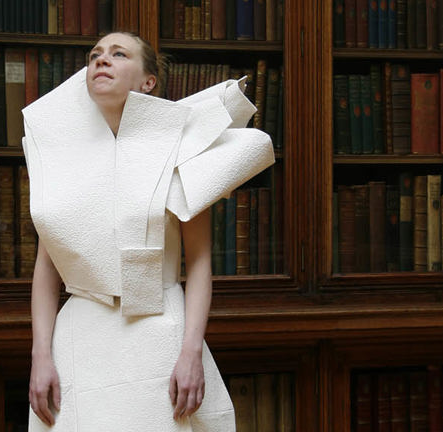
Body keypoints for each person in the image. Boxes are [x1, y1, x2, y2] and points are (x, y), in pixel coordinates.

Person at [21, 32, 274, 431]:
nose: (101, 61)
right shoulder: (56, 158)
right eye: (95, 56)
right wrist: (41, 356)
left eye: (118, 54)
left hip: (160, 328)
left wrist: (191, 351)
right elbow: (46, 268)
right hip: (80, 334)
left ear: (148, 82)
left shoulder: (181, 148)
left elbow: (201, 261)